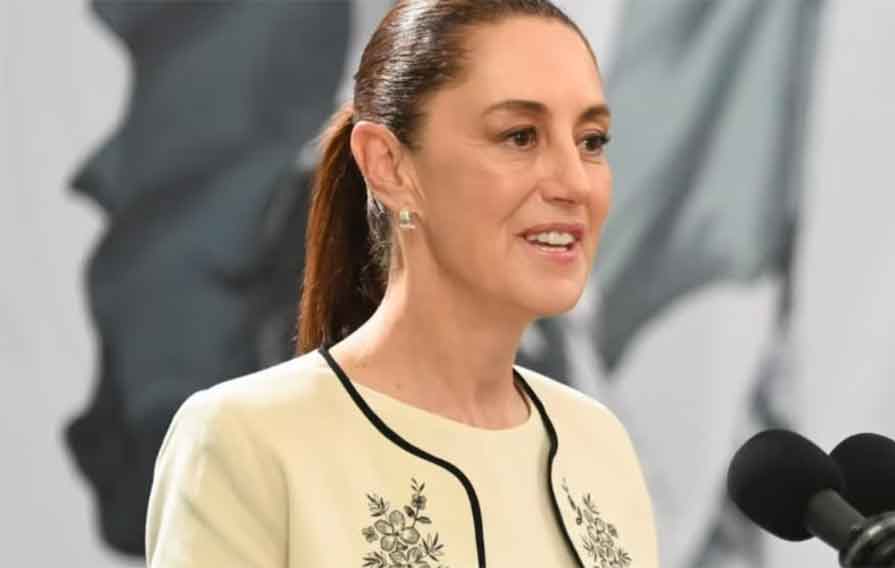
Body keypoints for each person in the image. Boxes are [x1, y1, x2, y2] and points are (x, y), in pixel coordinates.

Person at [145, 1, 659, 566]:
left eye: (591, 141)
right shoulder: (242, 442)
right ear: (388, 165)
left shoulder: (598, 445)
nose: (574, 183)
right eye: (519, 136)